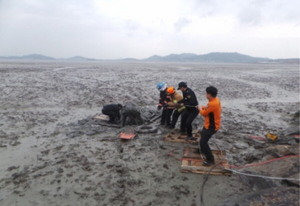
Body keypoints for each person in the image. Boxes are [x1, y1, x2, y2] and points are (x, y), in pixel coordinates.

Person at [198, 86, 222, 166]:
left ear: (209, 95)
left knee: (204, 142)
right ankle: (202, 151)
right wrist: (203, 107)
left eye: (206, 94)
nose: (206, 95)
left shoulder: (213, 103)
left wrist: (199, 109)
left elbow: (203, 113)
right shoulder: (215, 100)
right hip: (208, 124)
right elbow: (208, 108)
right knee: (202, 137)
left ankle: (210, 160)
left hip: (212, 127)